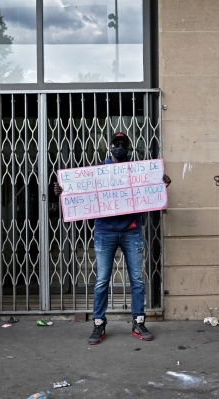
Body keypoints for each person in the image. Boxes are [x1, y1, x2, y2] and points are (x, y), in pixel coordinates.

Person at [54, 132, 172, 345]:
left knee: (137, 280)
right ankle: (99, 324)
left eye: (123, 144)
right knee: (101, 281)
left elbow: (151, 191)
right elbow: (79, 193)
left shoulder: (138, 172)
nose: (120, 147)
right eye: (116, 144)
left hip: (132, 231)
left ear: (128, 148)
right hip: (104, 233)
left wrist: (160, 184)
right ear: (110, 147)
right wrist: (63, 191)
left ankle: (138, 322)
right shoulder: (99, 172)